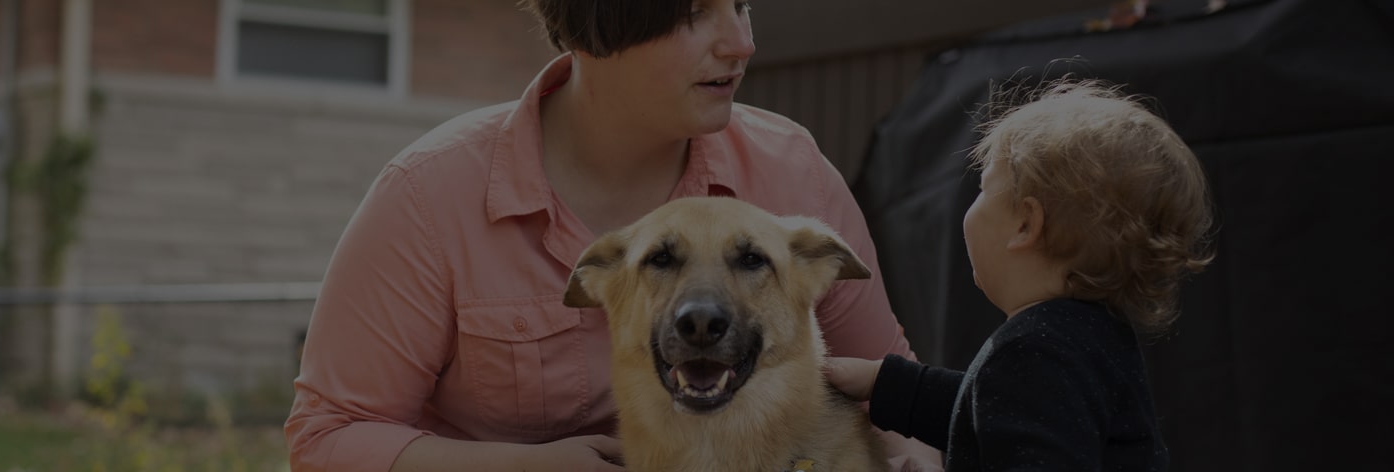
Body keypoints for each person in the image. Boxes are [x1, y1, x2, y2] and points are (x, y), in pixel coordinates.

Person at [286, 0, 943, 469]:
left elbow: (890, 394)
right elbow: (328, 436)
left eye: (741, 4)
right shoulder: (429, 197)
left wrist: (914, 458)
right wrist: (523, 467)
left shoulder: (791, 170)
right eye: (693, 12)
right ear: (598, 21)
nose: (740, 41)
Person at [823, 78, 1214, 470]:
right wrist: (883, 383)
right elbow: (989, 409)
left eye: (983, 188)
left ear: (1026, 225)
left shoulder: (1035, 351)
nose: (972, 205)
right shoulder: (1092, 337)